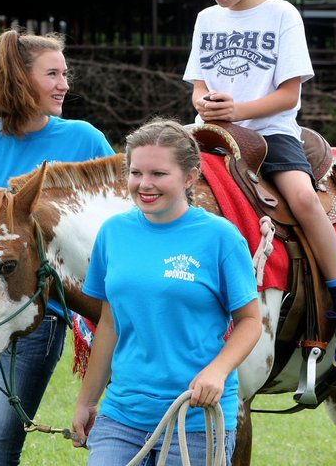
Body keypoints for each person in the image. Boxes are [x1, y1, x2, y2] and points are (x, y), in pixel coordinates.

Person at [183, 0, 336, 369]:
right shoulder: (207, 19)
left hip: (270, 132)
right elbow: (196, 85)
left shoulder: (282, 14)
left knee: (303, 198)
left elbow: (290, 94)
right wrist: (206, 103)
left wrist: (239, 111)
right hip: (209, 131)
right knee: (150, 179)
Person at [0, 29, 115, 466]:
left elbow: (116, 219)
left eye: (65, 73)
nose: (64, 84)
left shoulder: (85, 140)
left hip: (36, 319)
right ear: (17, 79)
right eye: (52, 74)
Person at [70, 118, 261, 465]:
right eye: (136, 173)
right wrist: (87, 401)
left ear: (189, 177)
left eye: (158, 174)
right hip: (122, 415)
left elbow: (250, 321)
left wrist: (217, 371)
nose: (144, 185)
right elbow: (110, 324)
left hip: (196, 417)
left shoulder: (221, 238)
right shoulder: (112, 233)